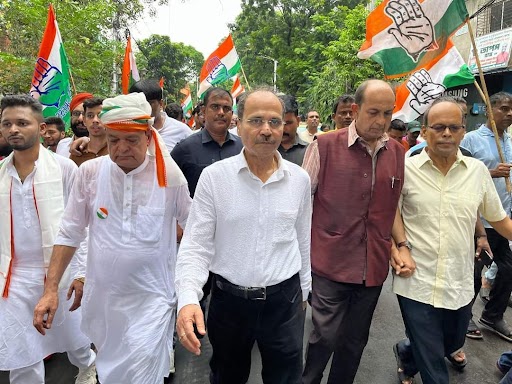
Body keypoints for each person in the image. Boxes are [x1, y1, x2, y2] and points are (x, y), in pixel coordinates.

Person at [33, 92, 191, 384]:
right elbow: (70, 231)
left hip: (152, 299)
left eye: (131, 140)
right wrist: (51, 289)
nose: (121, 148)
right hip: (104, 300)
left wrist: (190, 294)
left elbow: (194, 233)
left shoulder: (169, 176)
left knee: (144, 372)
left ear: (147, 136)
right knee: (110, 373)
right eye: (114, 139)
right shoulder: (90, 173)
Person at [175, 87, 312, 383]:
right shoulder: (215, 178)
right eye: (256, 121)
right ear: (239, 123)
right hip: (229, 304)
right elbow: (196, 245)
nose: (266, 130)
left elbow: (302, 238)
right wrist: (187, 297)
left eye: (275, 122)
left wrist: (304, 291)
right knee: (227, 376)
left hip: (284, 303)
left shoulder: (299, 180)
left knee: (286, 377)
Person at [391, 97, 512, 384]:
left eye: (453, 127)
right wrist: (401, 246)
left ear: (462, 131)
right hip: (415, 280)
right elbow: (390, 212)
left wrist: (483, 236)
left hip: (458, 280)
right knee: (435, 365)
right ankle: (418, 354)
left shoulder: (477, 172)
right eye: (439, 127)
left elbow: (499, 219)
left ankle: (407, 355)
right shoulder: (405, 170)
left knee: (451, 342)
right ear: (425, 130)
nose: (446, 133)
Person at [302, 79, 405, 384]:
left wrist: (401, 246)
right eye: (374, 112)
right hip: (329, 263)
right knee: (324, 336)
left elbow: (392, 207)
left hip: (372, 267)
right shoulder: (323, 146)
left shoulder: (397, 153)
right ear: (356, 110)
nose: (381, 121)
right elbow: (301, 202)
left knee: (355, 341)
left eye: (387, 114)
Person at [0, 95, 96, 384]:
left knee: (75, 341)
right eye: (7, 124)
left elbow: (83, 226)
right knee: (22, 351)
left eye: (22, 123)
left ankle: (89, 367)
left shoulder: (64, 169)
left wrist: (81, 272)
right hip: (12, 278)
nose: (13, 129)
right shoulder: (1, 173)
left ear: (41, 128)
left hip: (61, 272)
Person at [461, 91, 512, 342]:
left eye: (511, 109)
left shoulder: (509, 142)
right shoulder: (471, 139)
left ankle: (493, 315)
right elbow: (462, 175)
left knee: (508, 269)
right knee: (473, 271)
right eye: (503, 108)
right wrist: (492, 172)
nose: (509, 113)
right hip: (479, 221)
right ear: (489, 110)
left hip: (503, 219)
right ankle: (464, 316)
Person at [171, 87, 243, 198]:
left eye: (226, 108)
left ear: (232, 113)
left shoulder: (243, 148)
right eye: (215, 107)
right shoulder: (184, 149)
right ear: (204, 111)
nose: (221, 113)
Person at [130, 79, 192, 152]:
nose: (144, 108)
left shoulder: (182, 131)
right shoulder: (124, 131)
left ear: (161, 103)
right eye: (138, 104)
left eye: (149, 103)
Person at [70, 97, 107, 167]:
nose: (95, 120)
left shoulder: (115, 150)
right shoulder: (76, 153)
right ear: (84, 120)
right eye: (90, 116)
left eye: (100, 115)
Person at [56, 92, 93, 157]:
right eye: (76, 113)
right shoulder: (62, 145)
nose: (80, 119)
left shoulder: (103, 147)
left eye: (86, 114)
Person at [278, 94, 308, 166]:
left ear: (298, 121)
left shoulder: (309, 151)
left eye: (288, 123)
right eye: (278, 123)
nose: (283, 128)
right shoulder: (264, 150)